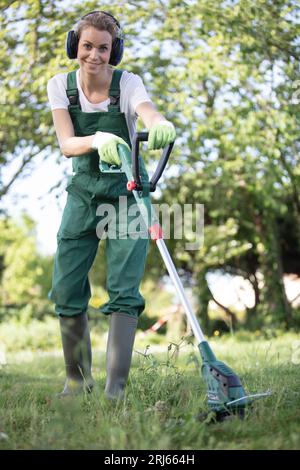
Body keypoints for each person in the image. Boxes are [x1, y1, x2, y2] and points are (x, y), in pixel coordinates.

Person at [47, 10, 176, 399]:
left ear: (113, 50)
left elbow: (146, 109)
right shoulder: (60, 86)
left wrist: (158, 123)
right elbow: (67, 144)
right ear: (75, 46)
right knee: (66, 286)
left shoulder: (128, 83)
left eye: (103, 48)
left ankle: (114, 388)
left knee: (124, 289)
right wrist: (96, 138)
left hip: (127, 193)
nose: (94, 55)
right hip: (83, 195)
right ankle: (77, 382)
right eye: (87, 46)